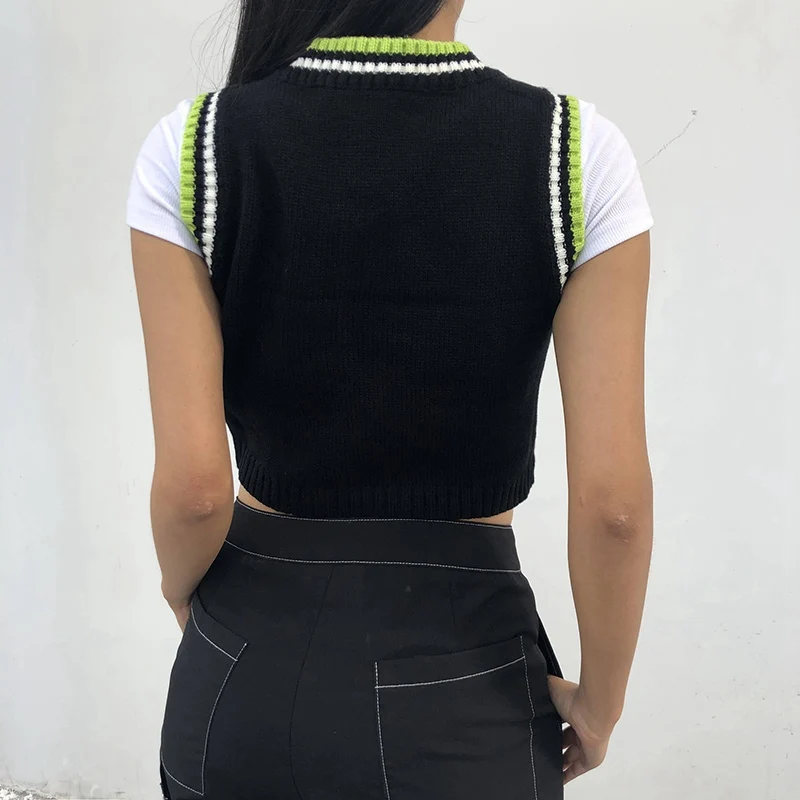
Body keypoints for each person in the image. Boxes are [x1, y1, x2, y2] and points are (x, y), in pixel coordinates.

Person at [127, 0, 654, 797]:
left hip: (241, 669)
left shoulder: (193, 144)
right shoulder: (574, 152)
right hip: (464, 679)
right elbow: (614, 508)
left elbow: (195, 494)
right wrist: (599, 706)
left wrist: (189, 607)